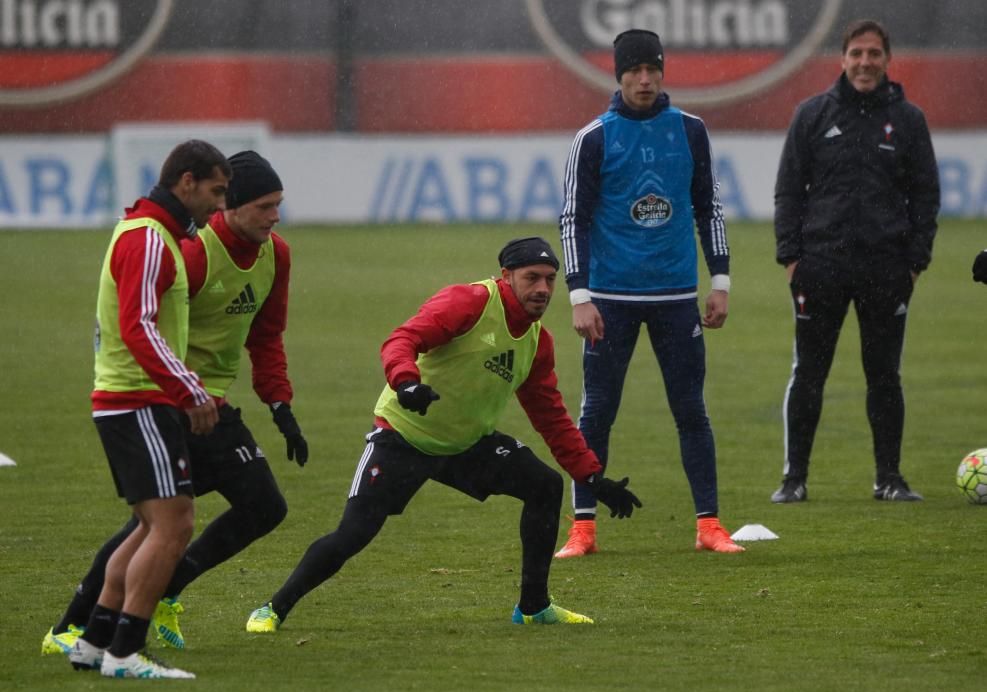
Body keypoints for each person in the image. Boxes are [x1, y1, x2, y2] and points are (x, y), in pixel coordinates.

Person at [245, 236, 642, 631]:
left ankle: (534, 607)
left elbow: (551, 418)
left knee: (544, 485)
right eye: (532, 277)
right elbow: (403, 339)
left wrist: (591, 478)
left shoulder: (538, 343)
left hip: (466, 445)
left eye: (550, 279)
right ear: (506, 276)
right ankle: (273, 608)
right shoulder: (469, 302)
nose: (542, 289)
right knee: (354, 533)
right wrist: (407, 383)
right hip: (404, 435)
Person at [45, 151, 307, 661]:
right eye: (263, 206)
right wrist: (183, 390)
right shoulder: (189, 249)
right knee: (159, 522)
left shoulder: (277, 254)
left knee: (255, 506)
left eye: (278, 204)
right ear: (227, 204)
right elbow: (142, 324)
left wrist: (280, 404)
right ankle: (76, 629)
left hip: (210, 403)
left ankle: (150, 598)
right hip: (170, 399)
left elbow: (267, 335)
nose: (274, 215)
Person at [555, 29, 742, 558]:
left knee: (691, 410)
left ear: (663, 72)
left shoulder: (690, 130)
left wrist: (720, 281)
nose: (644, 79)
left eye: (652, 69)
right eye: (634, 70)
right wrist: (579, 295)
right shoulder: (594, 137)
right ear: (618, 75)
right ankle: (584, 527)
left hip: (676, 297)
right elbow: (574, 220)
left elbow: (709, 207)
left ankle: (709, 525)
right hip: (609, 301)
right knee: (597, 412)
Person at [66, 140, 230, 680]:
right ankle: (124, 652)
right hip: (138, 399)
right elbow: (140, 326)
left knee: (148, 525)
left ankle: (94, 643)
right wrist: (191, 390)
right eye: (215, 191)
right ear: (186, 182)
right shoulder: (151, 239)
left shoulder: (147, 232)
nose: (218, 206)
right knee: (174, 525)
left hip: (129, 398)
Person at [771, 19, 940, 503]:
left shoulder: (908, 120)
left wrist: (915, 261)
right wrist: (791, 258)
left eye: (874, 54)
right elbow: (788, 191)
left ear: (887, 60)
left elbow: (925, 195)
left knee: (884, 374)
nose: (865, 62)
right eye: (857, 54)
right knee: (809, 373)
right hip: (820, 267)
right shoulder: (813, 115)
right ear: (842, 59)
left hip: (887, 269)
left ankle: (889, 478)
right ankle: (793, 479)